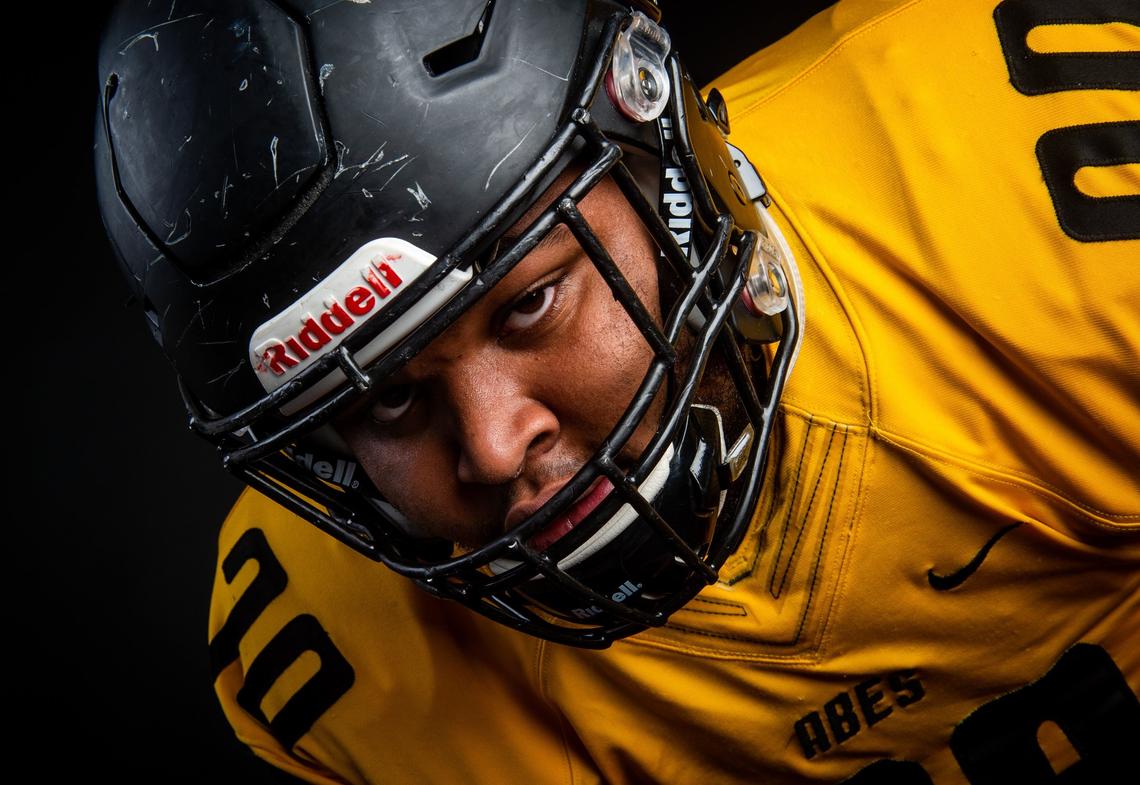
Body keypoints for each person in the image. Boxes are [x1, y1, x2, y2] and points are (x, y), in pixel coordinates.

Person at [94, 0, 1139, 782]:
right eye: (388, 403)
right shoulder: (341, 672)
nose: (496, 447)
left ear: (662, 168)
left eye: (530, 304)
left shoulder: (1051, 193)